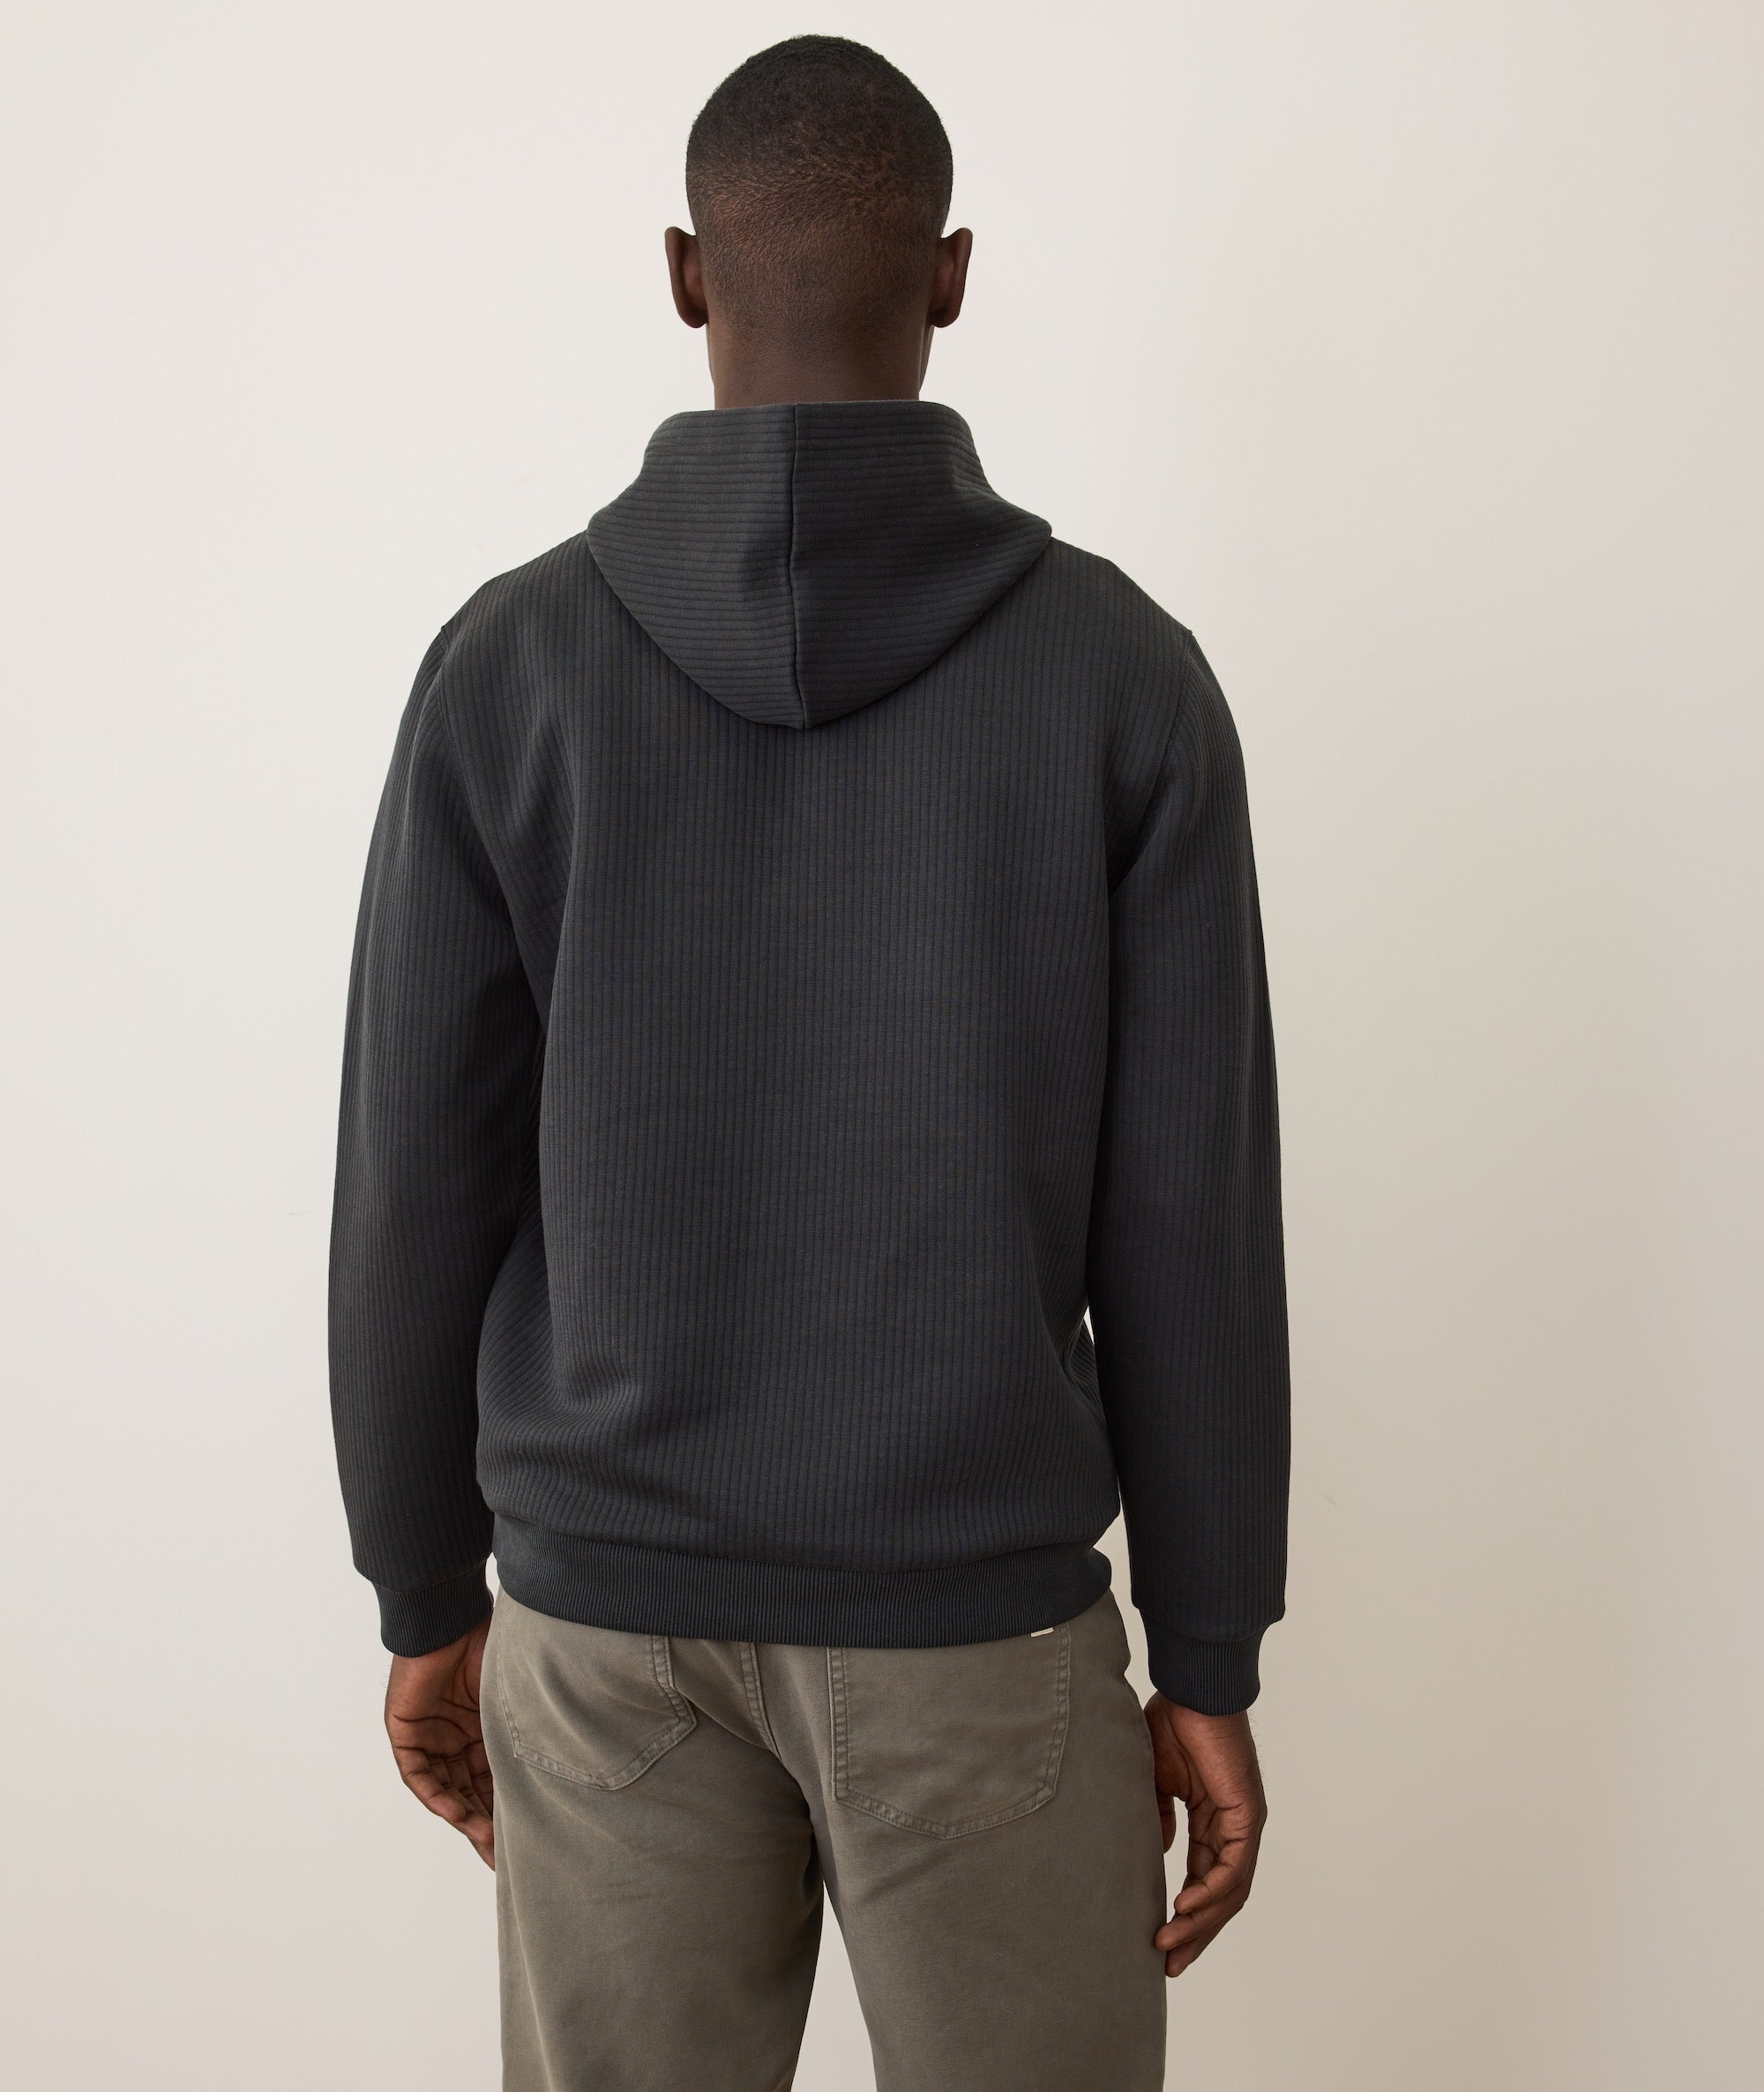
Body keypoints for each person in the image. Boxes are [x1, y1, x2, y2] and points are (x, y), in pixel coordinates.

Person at [328, 34, 1289, 2092]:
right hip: (983, 1637)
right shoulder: (1124, 678)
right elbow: (1187, 1218)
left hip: (604, 1639)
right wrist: (1208, 1651)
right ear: (950, 276)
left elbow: (413, 1178)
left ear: (687, 274)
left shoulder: (506, 668)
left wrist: (422, 1588)